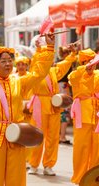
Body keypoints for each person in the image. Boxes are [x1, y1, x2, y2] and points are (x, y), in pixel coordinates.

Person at [0, 21, 54, 186]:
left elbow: (39, 72)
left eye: (9, 60)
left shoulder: (19, 82)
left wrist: (49, 49)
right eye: (3, 61)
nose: (8, 64)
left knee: (16, 179)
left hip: (16, 135)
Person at [27, 43, 76, 176]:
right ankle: (33, 164)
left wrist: (72, 54)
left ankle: (48, 164)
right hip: (39, 105)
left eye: (50, 56)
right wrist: (38, 50)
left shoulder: (54, 70)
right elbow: (35, 60)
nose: (49, 58)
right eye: (45, 55)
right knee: (37, 135)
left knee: (53, 137)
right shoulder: (35, 71)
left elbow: (65, 64)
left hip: (54, 105)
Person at [68, 48, 99, 184]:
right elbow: (72, 78)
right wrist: (84, 68)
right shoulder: (76, 76)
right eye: (85, 62)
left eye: (91, 61)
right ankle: (79, 177)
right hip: (82, 117)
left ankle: (94, 177)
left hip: (97, 117)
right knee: (81, 147)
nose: (89, 65)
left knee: (97, 148)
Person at [57, 46, 74, 145]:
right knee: (64, 113)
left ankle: (60, 135)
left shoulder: (58, 64)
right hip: (64, 88)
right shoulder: (66, 65)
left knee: (60, 113)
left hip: (59, 89)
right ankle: (62, 136)